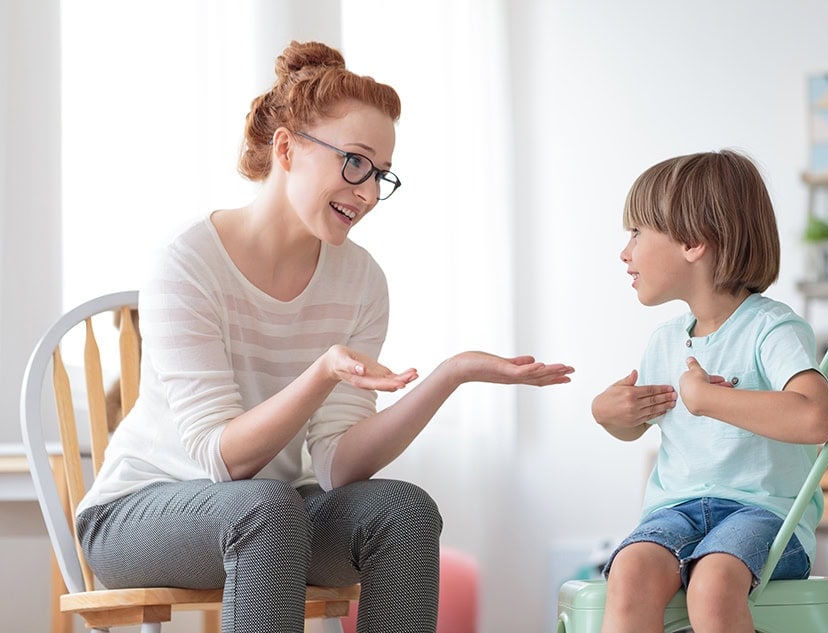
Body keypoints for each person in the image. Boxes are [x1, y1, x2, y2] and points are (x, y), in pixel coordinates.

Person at [75, 40, 574, 633]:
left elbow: (337, 466)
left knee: (404, 512)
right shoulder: (187, 261)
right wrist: (321, 374)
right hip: (140, 515)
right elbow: (222, 460)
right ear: (286, 149)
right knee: (267, 509)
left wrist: (450, 375)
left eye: (380, 174)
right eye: (355, 162)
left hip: (273, 515)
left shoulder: (361, 281)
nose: (368, 193)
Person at [591, 149, 828, 633]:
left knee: (712, 585)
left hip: (764, 515)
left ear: (693, 242)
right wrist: (612, 414)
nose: (625, 252)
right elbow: (637, 426)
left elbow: (816, 418)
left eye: (637, 233)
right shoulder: (665, 341)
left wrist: (711, 400)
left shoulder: (771, 328)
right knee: (629, 572)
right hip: (675, 513)